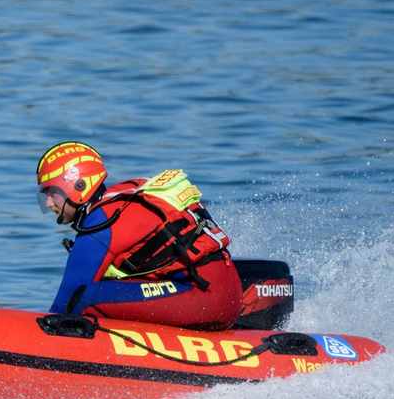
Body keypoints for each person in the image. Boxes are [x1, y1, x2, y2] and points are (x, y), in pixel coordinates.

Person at [36, 141, 242, 329]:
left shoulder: (100, 222)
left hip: (207, 299)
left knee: (84, 297)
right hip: (224, 294)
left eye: (52, 193)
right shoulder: (123, 198)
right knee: (106, 290)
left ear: (78, 186)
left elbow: (65, 304)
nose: (48, 204)